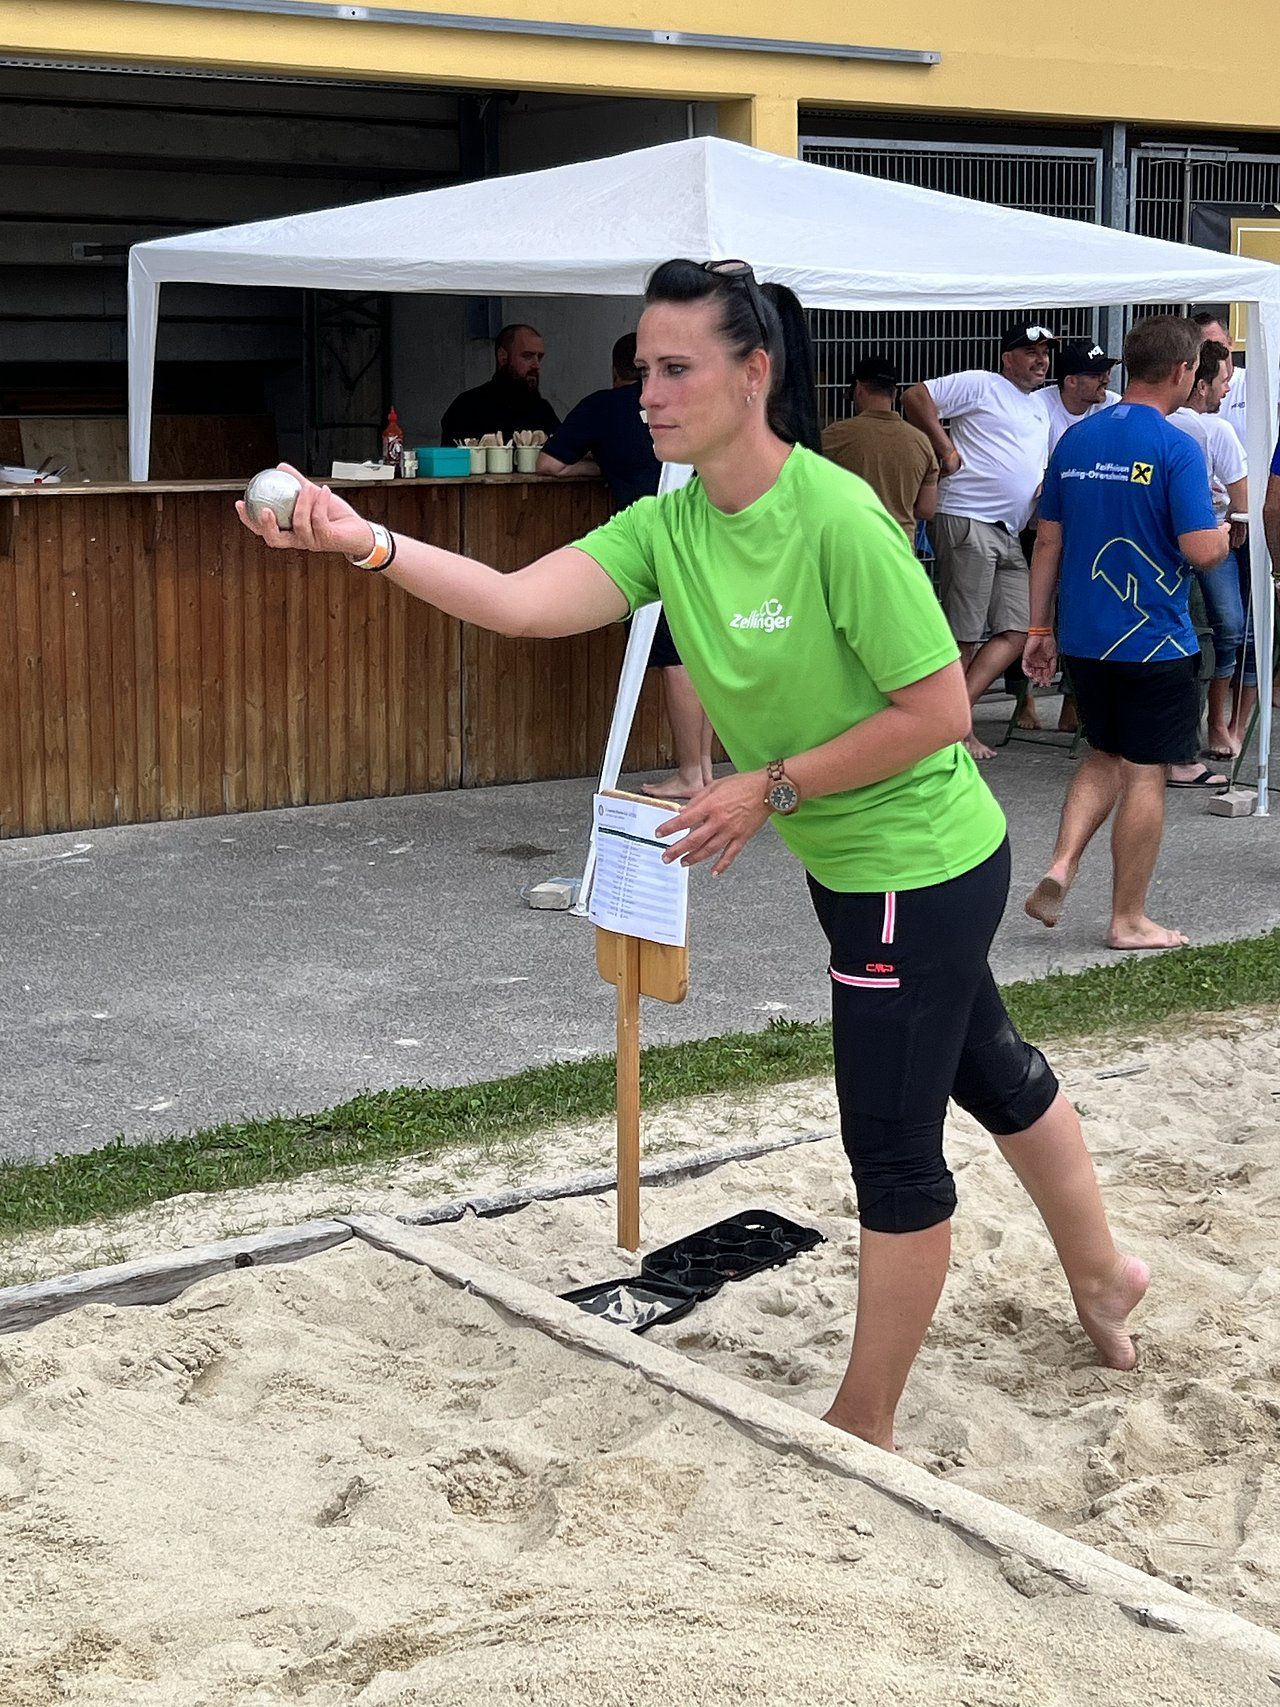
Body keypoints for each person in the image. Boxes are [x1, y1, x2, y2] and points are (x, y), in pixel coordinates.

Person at [238, 257, 1146, 1455]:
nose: (646, 392)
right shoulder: (670, 518)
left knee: (887, 1140)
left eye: (674, 368)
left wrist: (763, 789)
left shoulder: (832, 518)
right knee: (985, 1065)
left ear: (751, 373)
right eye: (640, 367)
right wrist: (366, 542)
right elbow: (520, 603)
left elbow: (934, 711)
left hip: (914, 862)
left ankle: (861, 1425)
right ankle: (1103, 1273)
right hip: (859, 858)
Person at [1023, 316, 1230, 952]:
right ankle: (1128, 918)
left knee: (1101, 752)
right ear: (1183, 371)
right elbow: (1199, 549)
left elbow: (1048, 538)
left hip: (1086, 634)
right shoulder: (1176, 447)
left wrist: (1038, 625)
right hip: (1156, 639)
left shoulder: (1077, 440)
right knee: (1145, 772)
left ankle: (1061, 862)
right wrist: (1227, 534)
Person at [539, 333, 713, 799]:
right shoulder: (692, 402)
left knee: (674, 657)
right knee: (697, 652)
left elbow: (548, 464)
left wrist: (599, 467)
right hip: (710, 534)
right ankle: (706, 768)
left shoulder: (603, 407)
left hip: (656, 542)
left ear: (617, 369)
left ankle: (691, 774)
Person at [903, 325, 1053, 761]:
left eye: (1044, 352)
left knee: (1019, 629)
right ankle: (951, 728)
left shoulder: (1039, 408)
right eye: (1030, 351)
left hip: (1008, 528)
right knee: (965, 634)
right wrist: (945, 448)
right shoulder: (983, 383)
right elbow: (916, 396)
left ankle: (953, 719)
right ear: (1007, 358)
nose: (1040, 359)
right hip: (968, 517)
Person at [1168, 339, 1249, 760]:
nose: (1227, 391)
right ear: (1200, 385)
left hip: (1161, 540)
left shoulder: (1158, 421)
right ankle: (1216, 724)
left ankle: (1208, 725)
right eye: (1222, 382)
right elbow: (1244, 503)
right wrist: (1230, 518)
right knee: (1230, 630)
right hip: (1207, 539)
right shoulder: (1214, 429)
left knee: (1200, 632)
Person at [820, 354, 939, 536]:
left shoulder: (836, 435)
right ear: (895, 394)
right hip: (900, 549)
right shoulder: (921, 442)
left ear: (858, 389)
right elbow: (926, 509)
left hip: (854, 544)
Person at [440, 323, 561, 445]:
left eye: (539, 357)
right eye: (527, 356)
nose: (536, 365)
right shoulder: (467, 407)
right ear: (503, 357)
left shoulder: (542, 410)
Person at [1043, 339, 1120, 455]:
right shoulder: (1040, 406)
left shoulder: (1113, 404)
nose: (1107, 380)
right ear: (1071, 381)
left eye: (1107, 372)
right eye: (1097, 375)